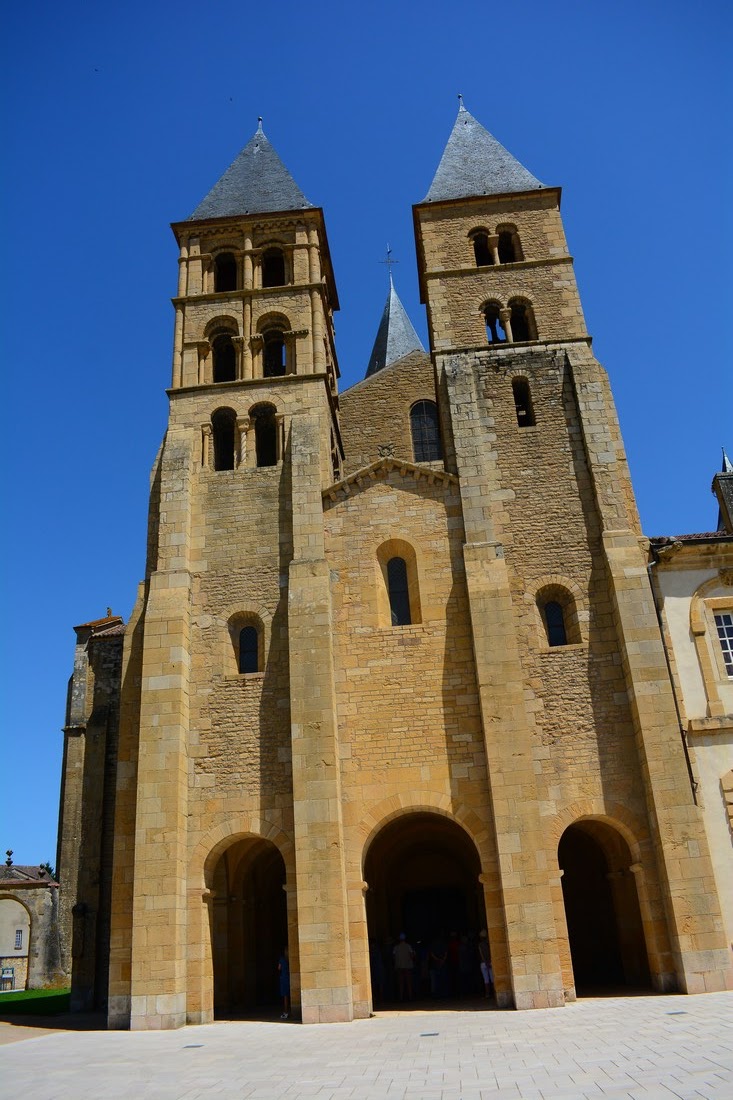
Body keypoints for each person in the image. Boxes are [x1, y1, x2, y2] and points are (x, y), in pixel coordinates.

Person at [392, 933, 415, 1001]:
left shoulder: (396, 947)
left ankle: (401, 997)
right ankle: (410, 997)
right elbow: (411, 956)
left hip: (399, 966)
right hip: (408, 966)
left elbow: (393, 957)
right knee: (408, 982)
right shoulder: (408, 946)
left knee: (400, 983)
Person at [478, 930, 493, 999]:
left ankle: (487, 994)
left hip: (483, 963)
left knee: (486, 979)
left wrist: (485, 961)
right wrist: (489, 961)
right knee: (492, 978)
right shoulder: (489, 944)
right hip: (490, 962)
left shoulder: (480, 944)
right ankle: (494, 992)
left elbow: (481, 955)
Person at [278, 945, 290, 1019]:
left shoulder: (282, 959)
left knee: (285, 996)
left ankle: (285, 1012)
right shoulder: (289, 959)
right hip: (289, 977)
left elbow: (279, 968)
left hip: (284, 978)